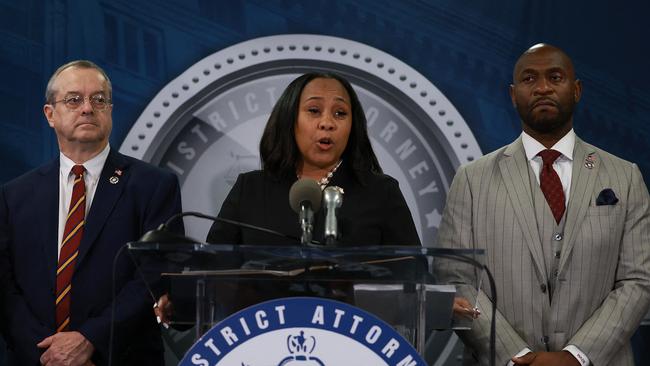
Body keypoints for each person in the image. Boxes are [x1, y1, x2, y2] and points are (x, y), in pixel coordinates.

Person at [437, 44, 650, 366]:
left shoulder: (625, 177)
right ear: (512, 94)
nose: (543, 88)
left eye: (555, 77)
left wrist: (577, 356)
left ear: (576, 90)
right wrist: (515, 356)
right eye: (529, 79)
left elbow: (639, 280)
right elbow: (454, 278)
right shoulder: (471, 180)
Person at [0, 60, 183, 365]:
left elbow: (154, 275)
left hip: (120, 357)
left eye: (99, 99)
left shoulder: (154, 185)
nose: (87, 108)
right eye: (74, 100)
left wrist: (89, 340)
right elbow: (4, 289)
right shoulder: (13, 196)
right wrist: (47, 354)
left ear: (110, 110)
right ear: (50, 115)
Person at [206, 72, 420, 246]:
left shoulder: (381, 193)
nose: (327, 123)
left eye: (340, 113)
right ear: (290, 119)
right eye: (314, 110)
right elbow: (212, 268)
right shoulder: (250, 189)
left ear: (352, 126)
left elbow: (413, 274)